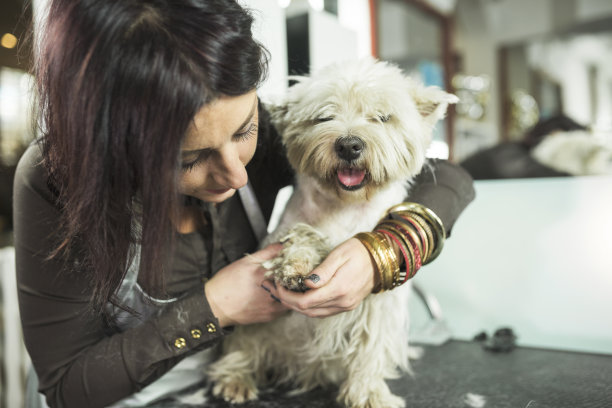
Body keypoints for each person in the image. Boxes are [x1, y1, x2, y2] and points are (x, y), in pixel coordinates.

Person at [13, 0, 475, 407]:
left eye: (244, 131)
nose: (236, 175)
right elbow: (69, 387)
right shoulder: (54, 181)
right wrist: (214, 306)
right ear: (114, 147)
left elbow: (449, 178)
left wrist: (386, 252)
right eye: (188, 159)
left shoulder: (277, 130)